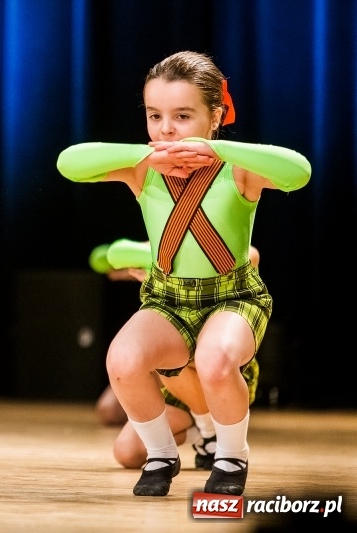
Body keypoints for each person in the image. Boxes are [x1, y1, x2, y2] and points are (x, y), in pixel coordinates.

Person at [57, 51, 311, 496]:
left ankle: (230, 458)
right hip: (168, 299)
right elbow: (69, 162)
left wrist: (215, 150)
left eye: (182, 116)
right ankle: (162, 455)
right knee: (122, 359)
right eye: (155, 116)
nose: (166, 129)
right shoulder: (143, 168)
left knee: (215, 361)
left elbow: (299, 172)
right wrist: (144, 154)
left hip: (232, 297)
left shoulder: (237, 170)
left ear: (215, 117)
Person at [91, 239, 261, 472]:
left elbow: (251, 255)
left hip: (217, 364)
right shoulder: (158, 239)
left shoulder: (214, 230)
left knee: (178, 350)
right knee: (127, 453)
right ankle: (200, 431)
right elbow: (109, 256)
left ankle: (212, 430)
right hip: (175, 377)